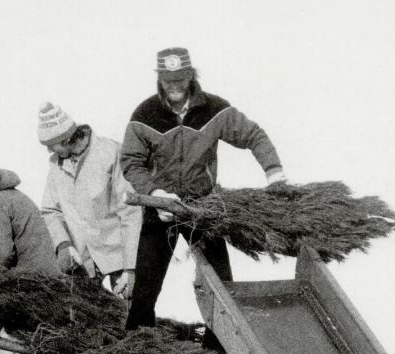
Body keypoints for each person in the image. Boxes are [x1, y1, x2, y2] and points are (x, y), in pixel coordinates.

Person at [121, 46, 287, 332]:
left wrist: (274, 172)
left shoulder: (215, 110)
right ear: (159, 79)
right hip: (161, 209)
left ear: (192, 75)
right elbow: (131, 162)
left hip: (203, 208)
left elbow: (254, 135)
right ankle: (138, 341)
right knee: (146, 285)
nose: (175, 86)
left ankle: (221, 341)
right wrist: (155, 195)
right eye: (168, 80)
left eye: (181, 79)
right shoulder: (144, 114)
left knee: (221, 283)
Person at [37, 102, 142, 300]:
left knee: (130, 315)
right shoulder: (55, 164)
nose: (49, 150)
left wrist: (131, 268)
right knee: (83, 317)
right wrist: (63, 243)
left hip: (118, 255)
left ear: (68, 138)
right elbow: (50, 210)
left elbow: (131, 212)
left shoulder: (111, 153)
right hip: (81, 259)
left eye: (52, 145)